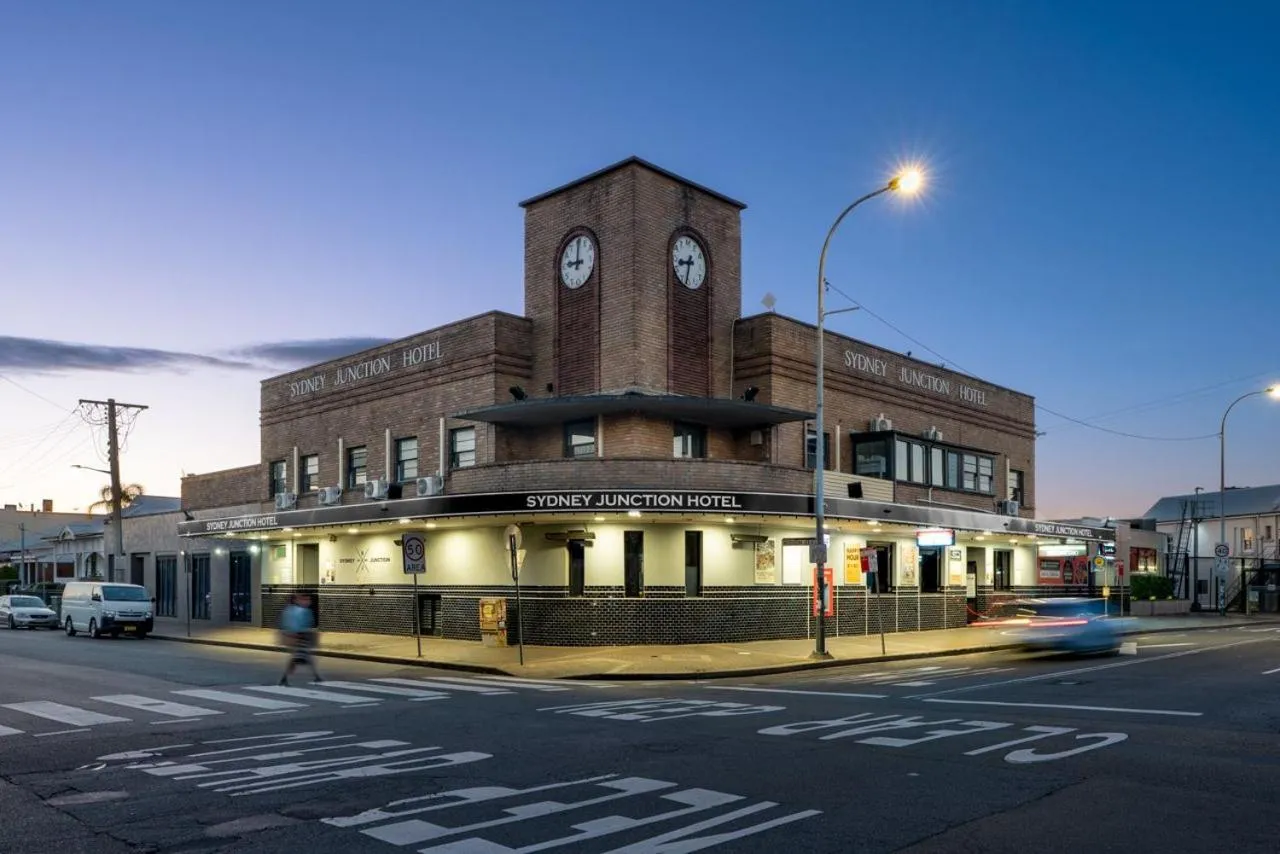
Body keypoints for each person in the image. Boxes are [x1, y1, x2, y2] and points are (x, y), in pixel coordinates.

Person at [278, 593, 322, 685]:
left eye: (308, 599)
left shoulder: (291, 610)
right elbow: (299, 624)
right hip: (301, 637)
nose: (308, 601)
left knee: (302, 658)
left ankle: (316, 676)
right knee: (301, 658)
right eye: (305, 599)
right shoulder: (300, 611)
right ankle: (284, 678)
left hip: (299, 636)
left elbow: (285, 624)